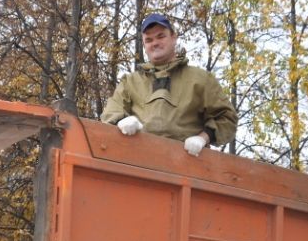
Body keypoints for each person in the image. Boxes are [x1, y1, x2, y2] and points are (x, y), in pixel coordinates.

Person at [100, 12, 237, 156]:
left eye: (161, 36)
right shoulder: (130, 82)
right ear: (145, 45)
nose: (155, 43)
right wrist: (121, 121)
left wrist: (203, 138)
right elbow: (110, 113)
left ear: (174, 37)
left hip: (188, 164)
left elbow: (227, 118)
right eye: (149, 40)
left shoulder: (201, 79)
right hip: (137, 161)